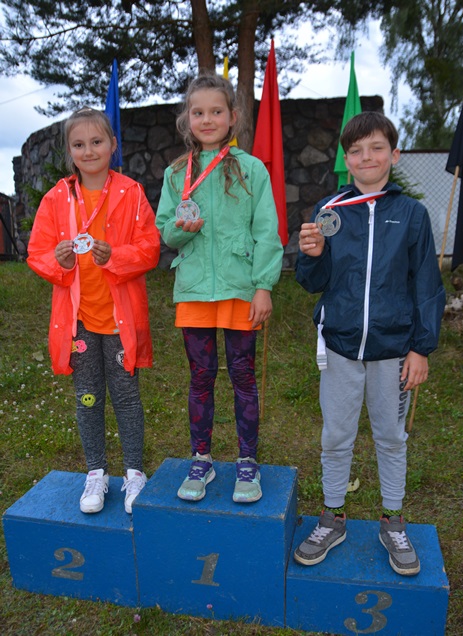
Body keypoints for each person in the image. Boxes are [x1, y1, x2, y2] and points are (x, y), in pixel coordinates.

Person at [294, 112, 445, 576]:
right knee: (336, 435)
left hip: (394, 350)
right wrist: (311, 255)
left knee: (391, 437)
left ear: (394, 155)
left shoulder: (412, 214)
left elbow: (427, 285)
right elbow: (313, 281)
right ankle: (333, 517)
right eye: (357, 151)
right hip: (341, 347)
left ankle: (392, 521)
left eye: (377, 148)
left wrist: (421, 348)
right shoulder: (331, 210)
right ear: (346, 159)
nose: (367, 157)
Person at [156, 73, 283, 504]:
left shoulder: (252, 169)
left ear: (233, 116)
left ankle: (248, 462)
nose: (207, 119)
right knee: (201, 378)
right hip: (194, 290)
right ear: (187, 119)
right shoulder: (176, 173)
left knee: (243, 377)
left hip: (239, 289)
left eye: (216, 111)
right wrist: (182, 229)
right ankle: (202, 459)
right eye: (198, 112)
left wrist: (262, 286)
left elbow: (266, 231)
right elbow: (166, 231)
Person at [27, 107, 160, 515]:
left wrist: (114, 255)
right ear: (69, 151)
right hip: (79, 323)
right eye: (79, 144)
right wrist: (60, 261)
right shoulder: (56, 199)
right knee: (87, 399)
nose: (89, 151)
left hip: (120, 321)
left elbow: (150, 248)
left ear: (113, 145)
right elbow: (37, 253)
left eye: (97, 142)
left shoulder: (131, 193)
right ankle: (96, 472)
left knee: (126, 398)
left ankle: (134, 473)